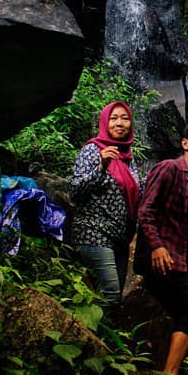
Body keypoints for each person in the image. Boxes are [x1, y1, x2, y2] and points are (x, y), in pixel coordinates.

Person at [135, 121, 188, 375]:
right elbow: (145, 210)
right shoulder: (168, 169)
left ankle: (167, 372)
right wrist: (157, 246)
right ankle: (170, 374)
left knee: (186, 311)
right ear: (185, 143)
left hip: (177, 260)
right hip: (161, 258)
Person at [69, 101, 142, 313]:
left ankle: (102, 342)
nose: (120, 123)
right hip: (94, 233)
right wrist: (101, 166)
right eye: (114, 118)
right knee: (110, 295)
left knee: (115, 298)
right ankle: (83, 338)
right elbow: (75, 190)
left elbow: (137, 193)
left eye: (125, 118)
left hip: (119, 238)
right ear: (104, 122)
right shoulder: (93, 150)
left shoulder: (127, 156)